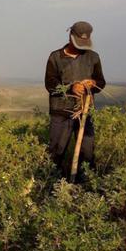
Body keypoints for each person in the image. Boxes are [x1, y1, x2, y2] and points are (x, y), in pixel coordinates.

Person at [44, 21, 106, 182]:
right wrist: (71, 87)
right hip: (61, 113)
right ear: (71, 37)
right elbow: (50, 84)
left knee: (87, 153)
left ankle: (84, 188)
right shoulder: (55, 57)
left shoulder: (93, 58)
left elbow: (101, 83)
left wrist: (93, 85)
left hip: (85, 113)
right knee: (56, 152)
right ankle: (52, 185)